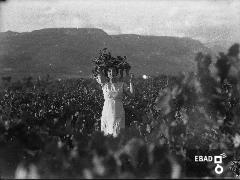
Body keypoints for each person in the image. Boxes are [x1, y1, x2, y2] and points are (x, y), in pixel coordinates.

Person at [95, 66, 135, 137]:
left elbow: (132, 95)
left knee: (117, 133)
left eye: (113, 71)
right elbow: (100, 76)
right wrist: (100, 69)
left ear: (117, 73)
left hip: (118, 110)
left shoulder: (122, 84)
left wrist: (131, 82)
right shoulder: (104, 84)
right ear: (107, 74)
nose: (111, 73)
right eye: (109, 71)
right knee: (106, 133)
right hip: (107, 110)